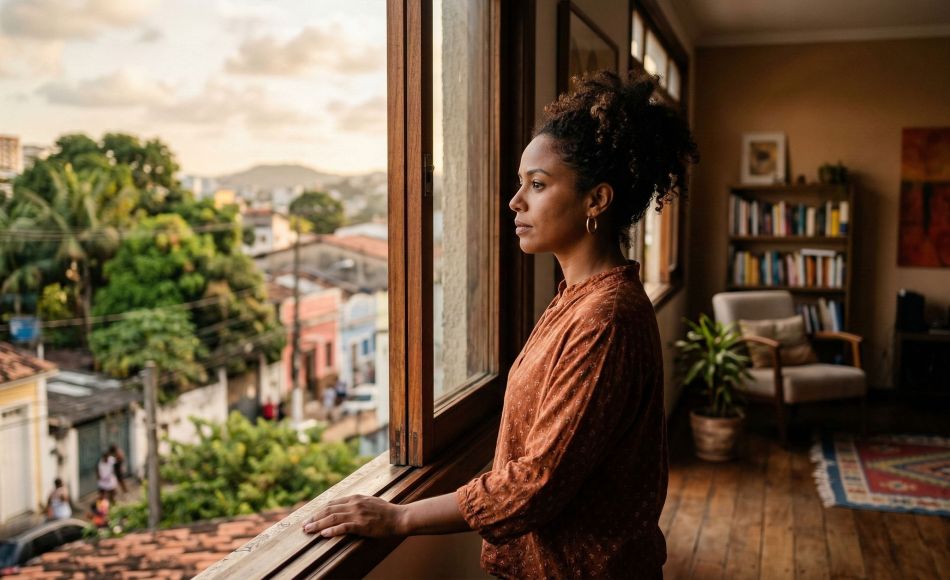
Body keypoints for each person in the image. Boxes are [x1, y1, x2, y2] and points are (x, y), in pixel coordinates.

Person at [302, 70, 698, 578]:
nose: (516, 201)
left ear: (596, 200)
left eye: (538, 184)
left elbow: (537, 483)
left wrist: (399, 518)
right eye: (520, 182)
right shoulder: (578, 299)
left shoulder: (605, 319)